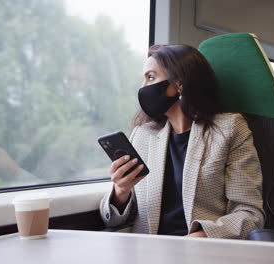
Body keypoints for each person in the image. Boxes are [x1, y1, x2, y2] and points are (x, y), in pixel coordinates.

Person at [99, 44, 264, 239]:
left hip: (202, 253)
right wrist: (121, 191)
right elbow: (114, 221)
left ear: (179, 84)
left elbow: (250, 214)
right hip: (148, 253)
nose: (143, 87)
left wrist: (201, 237)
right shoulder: (142, 135)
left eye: (150, 77)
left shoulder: (229, 129)